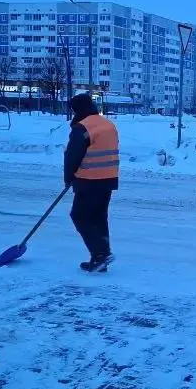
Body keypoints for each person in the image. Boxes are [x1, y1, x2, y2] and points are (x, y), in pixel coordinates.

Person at [64, 93, 119, 273]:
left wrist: (69, 178)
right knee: (98, 217)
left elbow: (72, 156)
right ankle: (100, 258)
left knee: (79, 216)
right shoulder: (108, 124)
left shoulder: (83, 127)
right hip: (108, 178)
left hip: (89, 179)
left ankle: (101, 254)